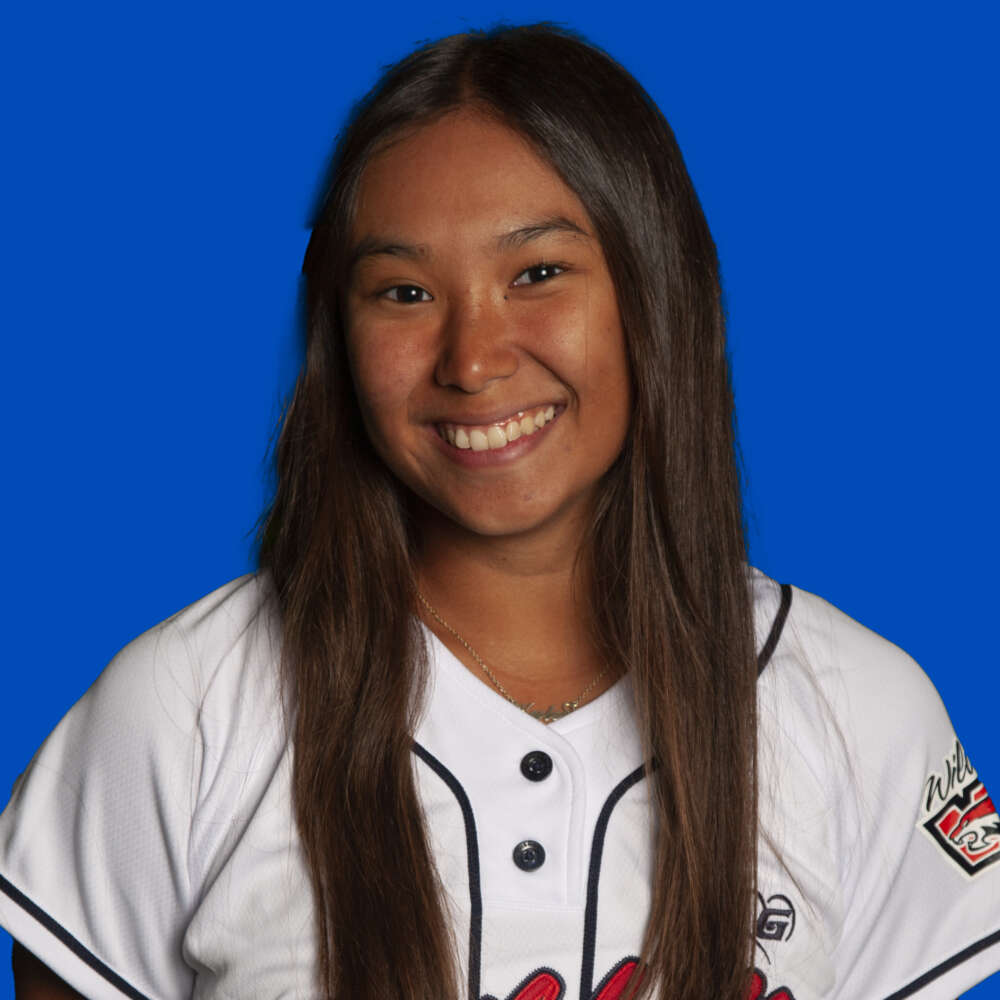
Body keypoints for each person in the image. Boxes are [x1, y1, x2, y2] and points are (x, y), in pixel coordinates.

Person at [1, 22, 998, 1000]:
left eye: (537, 274)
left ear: (654, 290)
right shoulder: (184, 707)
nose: (472, 361)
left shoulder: (858, 708)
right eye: (402, 292)